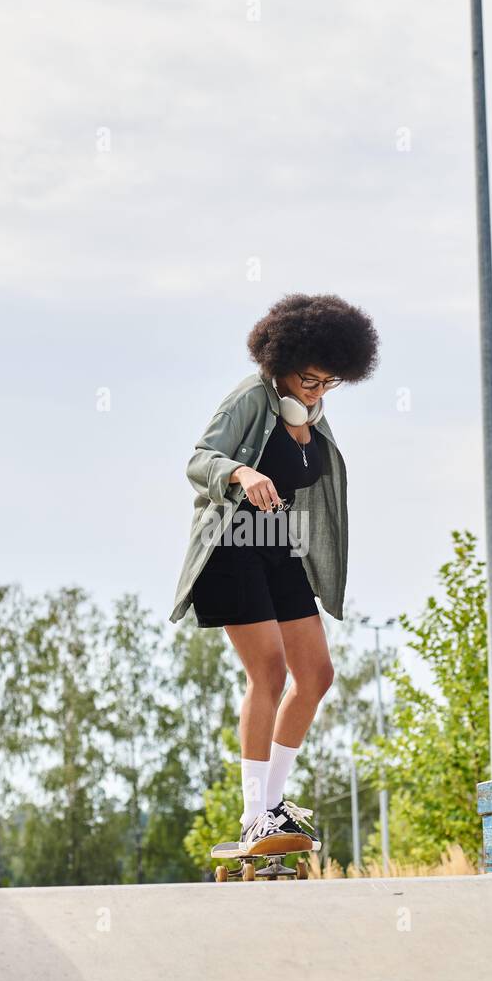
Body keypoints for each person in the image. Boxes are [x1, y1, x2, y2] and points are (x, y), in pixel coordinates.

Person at [169, 292, 380, 855]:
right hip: (231, 545)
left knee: (316, 674)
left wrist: (309, 417)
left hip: (277, 547)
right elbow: (198, 460)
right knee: (269, 673)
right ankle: (252, 815)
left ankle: (273, 804)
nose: (314, 392)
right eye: (308, 380)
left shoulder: (312, 413)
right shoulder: (250, 397)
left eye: (326, 383)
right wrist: (239, 471)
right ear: (280, 361)